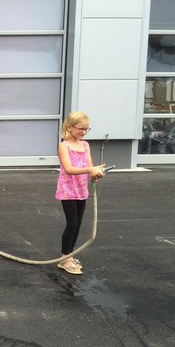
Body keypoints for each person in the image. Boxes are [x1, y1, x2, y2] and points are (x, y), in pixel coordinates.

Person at [56, 111, 105, 275]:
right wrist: (90, 169)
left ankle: (71, 255)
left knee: (78, 224)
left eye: (86, 129)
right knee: (72, 223)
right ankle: (64, 258)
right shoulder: (64, 146)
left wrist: (94, 174)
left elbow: (89, 166)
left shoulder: (85, 145)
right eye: (81, 129)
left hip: (81, 188)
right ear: (69, 127)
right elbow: (69, 169)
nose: (83, 132)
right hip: (68, 190)